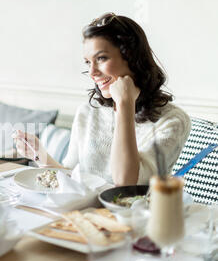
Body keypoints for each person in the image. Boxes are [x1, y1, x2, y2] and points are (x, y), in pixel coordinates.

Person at [14, 13, 191, 186]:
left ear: (132, 58)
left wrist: (124, 104)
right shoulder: (88, 111)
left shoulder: (172, 121)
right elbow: (71, 179)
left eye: (101, 58)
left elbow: (126, 184)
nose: (92, 72)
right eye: (88, 62)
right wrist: (39, 155)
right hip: (83, 214)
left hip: (133, 215)